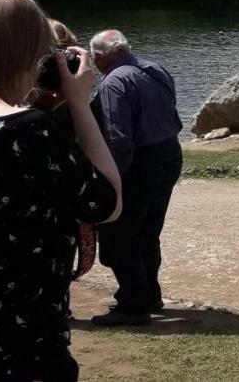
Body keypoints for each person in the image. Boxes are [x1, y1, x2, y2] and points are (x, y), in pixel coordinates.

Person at [0, 0, 121, 381]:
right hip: (16, 350)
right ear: (34, 57)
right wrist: (79, 102)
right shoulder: (24, 131)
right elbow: (107, 202)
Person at [89, 29, 183, 325]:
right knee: (148, 230)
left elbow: (119, 138)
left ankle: (132, 304)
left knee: (121, 233)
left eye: (93, 58)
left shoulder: (114, 82)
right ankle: (149, 295)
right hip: (169, 155)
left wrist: (112, 178)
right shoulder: (155, 69)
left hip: (140, 162)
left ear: (100, 57)